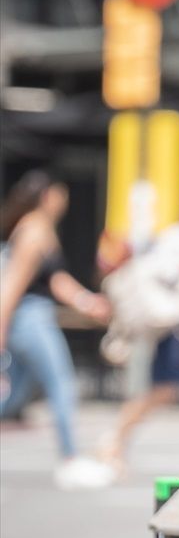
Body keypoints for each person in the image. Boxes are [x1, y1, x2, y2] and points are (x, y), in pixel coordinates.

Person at [0, 173, 115, 489]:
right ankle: (70, 459)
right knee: (61, 384)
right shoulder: (34, 230)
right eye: (60, 195)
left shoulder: (40, 229)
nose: (64, 202)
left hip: (31, 317)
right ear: (48, 196)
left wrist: (87, 302)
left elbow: (54, 279)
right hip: (29, 319)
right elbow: (13, 284)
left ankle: (71, 458)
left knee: (12, 400)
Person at [99, 189, 179, 478]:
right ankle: (115, 438)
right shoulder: (177, 239)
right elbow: (155, 273)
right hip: (177, 329)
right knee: (161, 393)